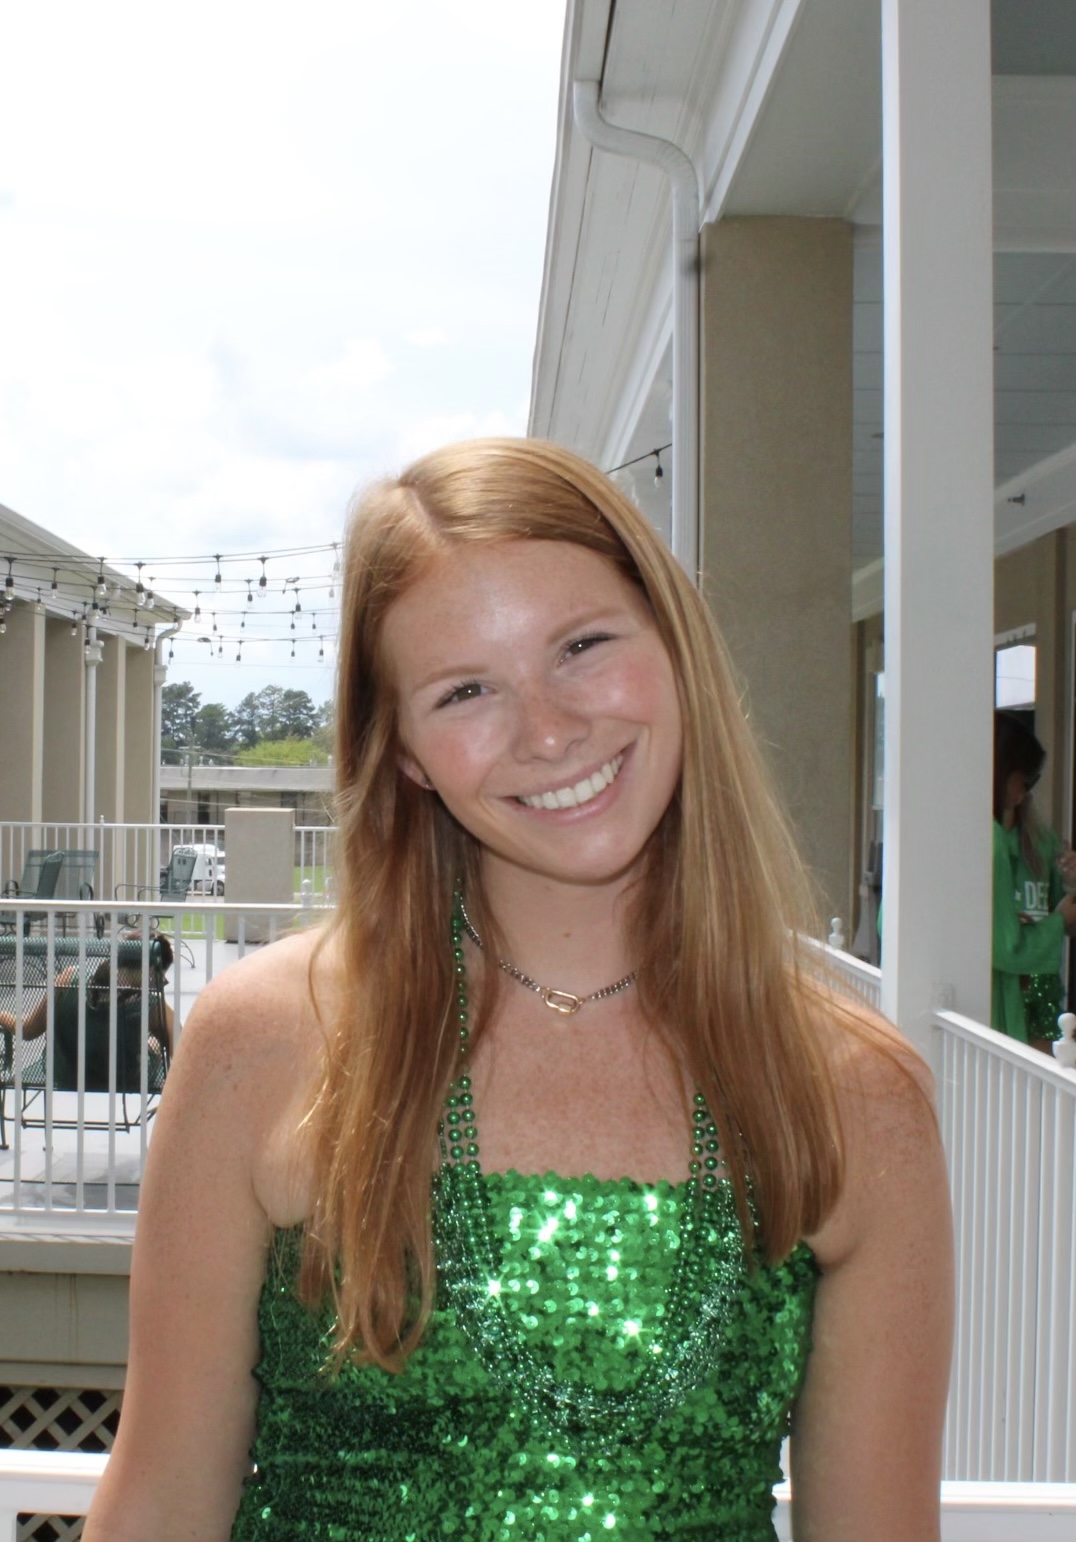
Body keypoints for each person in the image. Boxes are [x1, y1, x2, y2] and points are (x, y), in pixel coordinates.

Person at [85, 439, 953, 1542]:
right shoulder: (264, 1042)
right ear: (404, 752)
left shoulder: (858, 1093)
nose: (548, 731)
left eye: (582, 646)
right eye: (465, 691)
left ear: (676, 648)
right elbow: (159, 1503)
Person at [991, 711, 1076, 1052]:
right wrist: (1055, 923)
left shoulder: (1042, 841)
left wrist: (1071, 883)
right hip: (1002, 993)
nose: (1025, 793)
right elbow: (1005, 945)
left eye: (1032, 782)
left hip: (1041, 987)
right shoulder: (990, 842)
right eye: (1023, 779)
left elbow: (1066, 911)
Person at [0, 934, 175, 1087]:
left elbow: (27, 1030)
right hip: (124, 1081)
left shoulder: (69, 979)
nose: (160, 984)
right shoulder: (152, 1008)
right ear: (151, 971)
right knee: (154, 1043)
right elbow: (181, 1045)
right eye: (160, 978)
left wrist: (1, 1015)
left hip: (65, 1076)